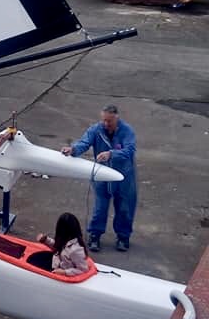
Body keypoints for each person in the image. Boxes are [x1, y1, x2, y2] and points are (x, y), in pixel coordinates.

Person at [62, 104, 137, 252]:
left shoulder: (127, 131)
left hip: (123, 178)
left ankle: (123, 237)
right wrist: (73, 149)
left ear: (117, 118)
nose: (106, 124)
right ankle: (94, 235)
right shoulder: (96, 130)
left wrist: (111, 154)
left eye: (109, 121)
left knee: (124, 208)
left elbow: (130, 150)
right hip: (101, 177)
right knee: (100, 207)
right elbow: (84, 143)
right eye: (104, 120)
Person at [36, 212, 90, 276]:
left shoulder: (76, 250)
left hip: (60, 270)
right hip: (56, 263)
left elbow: (83, 270)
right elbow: (58, 247)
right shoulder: (65, 239)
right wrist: (46, 240)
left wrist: (65, 272)